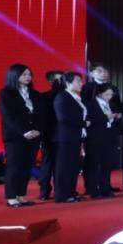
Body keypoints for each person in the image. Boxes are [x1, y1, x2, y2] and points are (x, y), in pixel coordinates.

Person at [0, 63, 42, 207]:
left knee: (27, 166)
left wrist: (38, 130)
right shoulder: (6, 93)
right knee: (14, 166)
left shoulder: (35, 94)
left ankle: (21, 195)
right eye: (24, 74)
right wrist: (24, 131)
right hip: (15, 136)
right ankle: (11, 197)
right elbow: (8, 116)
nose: (28, 77)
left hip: (34, 136)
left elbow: (41, 115)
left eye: (29, 74)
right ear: (14, 76)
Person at [53, 72, 88, 203]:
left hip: (75, 136)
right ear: (68, 83)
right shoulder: (62, 97)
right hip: (65, 137)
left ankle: (71, 191)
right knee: (64, 166)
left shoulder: (76, 97)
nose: (81, 83)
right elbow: (62, 118)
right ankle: (62, 194)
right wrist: (83, 123)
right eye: (78, 81)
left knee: (73, 166)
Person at [85, 82, 121, 198]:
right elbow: (90, 121)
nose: (109, 97)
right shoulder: (90, 105)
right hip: (95, 137)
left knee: (107, 164)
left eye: (111, 95)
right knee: (94, 164)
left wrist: (117, 117)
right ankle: (93, 189)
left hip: (109, 136)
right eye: (107, 94)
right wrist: (107, 118)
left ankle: (105, 188)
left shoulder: (112, 105)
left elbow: (116, 122)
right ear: (99, 94)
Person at [37, 70, 63, 201]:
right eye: (59, 79)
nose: (62, 82)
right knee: (48, 163)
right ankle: (45, 191)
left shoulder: (68, 95)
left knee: (60, 164)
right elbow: (42, 117)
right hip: (49, 134)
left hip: (62, 135)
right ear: (51, 81)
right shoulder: (44, 97)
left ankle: (59, 190)